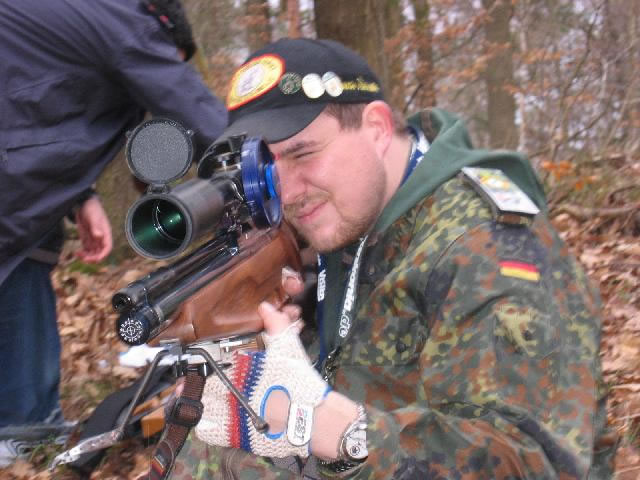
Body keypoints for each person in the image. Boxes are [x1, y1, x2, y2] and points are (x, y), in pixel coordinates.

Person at [165, 38, 616, 479]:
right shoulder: (355, 214)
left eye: (303, 153)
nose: (288, 193)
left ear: (377, 129)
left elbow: (533, 461)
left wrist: (331, 429)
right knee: (210, 439)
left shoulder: (487, 247)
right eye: (266, 168)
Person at [0, 0, 227, 466]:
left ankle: (27, 419)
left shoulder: (71, 19)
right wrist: (269, 160)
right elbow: (197, 110)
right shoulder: (126, 21)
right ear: (163, 30)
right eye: (167, 59)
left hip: (16, 174)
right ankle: (25, 423)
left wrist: (80, 195)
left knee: (31, 250)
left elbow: (39, 104)